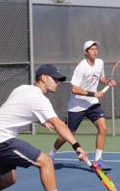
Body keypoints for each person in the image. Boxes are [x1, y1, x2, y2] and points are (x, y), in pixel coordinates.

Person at [49, 40, 116, 171]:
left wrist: (108, 81)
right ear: (85, 52)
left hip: (92, 104)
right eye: (91, 49)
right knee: (67, 134)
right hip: (77, 106)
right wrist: (93, 93)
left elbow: (100, 78)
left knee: (103, 127)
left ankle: (98, 161)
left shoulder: (100, 63)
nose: (95, 51)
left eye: (96, 49)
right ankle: (51, 154)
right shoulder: (81, 67)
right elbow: (74, 89)